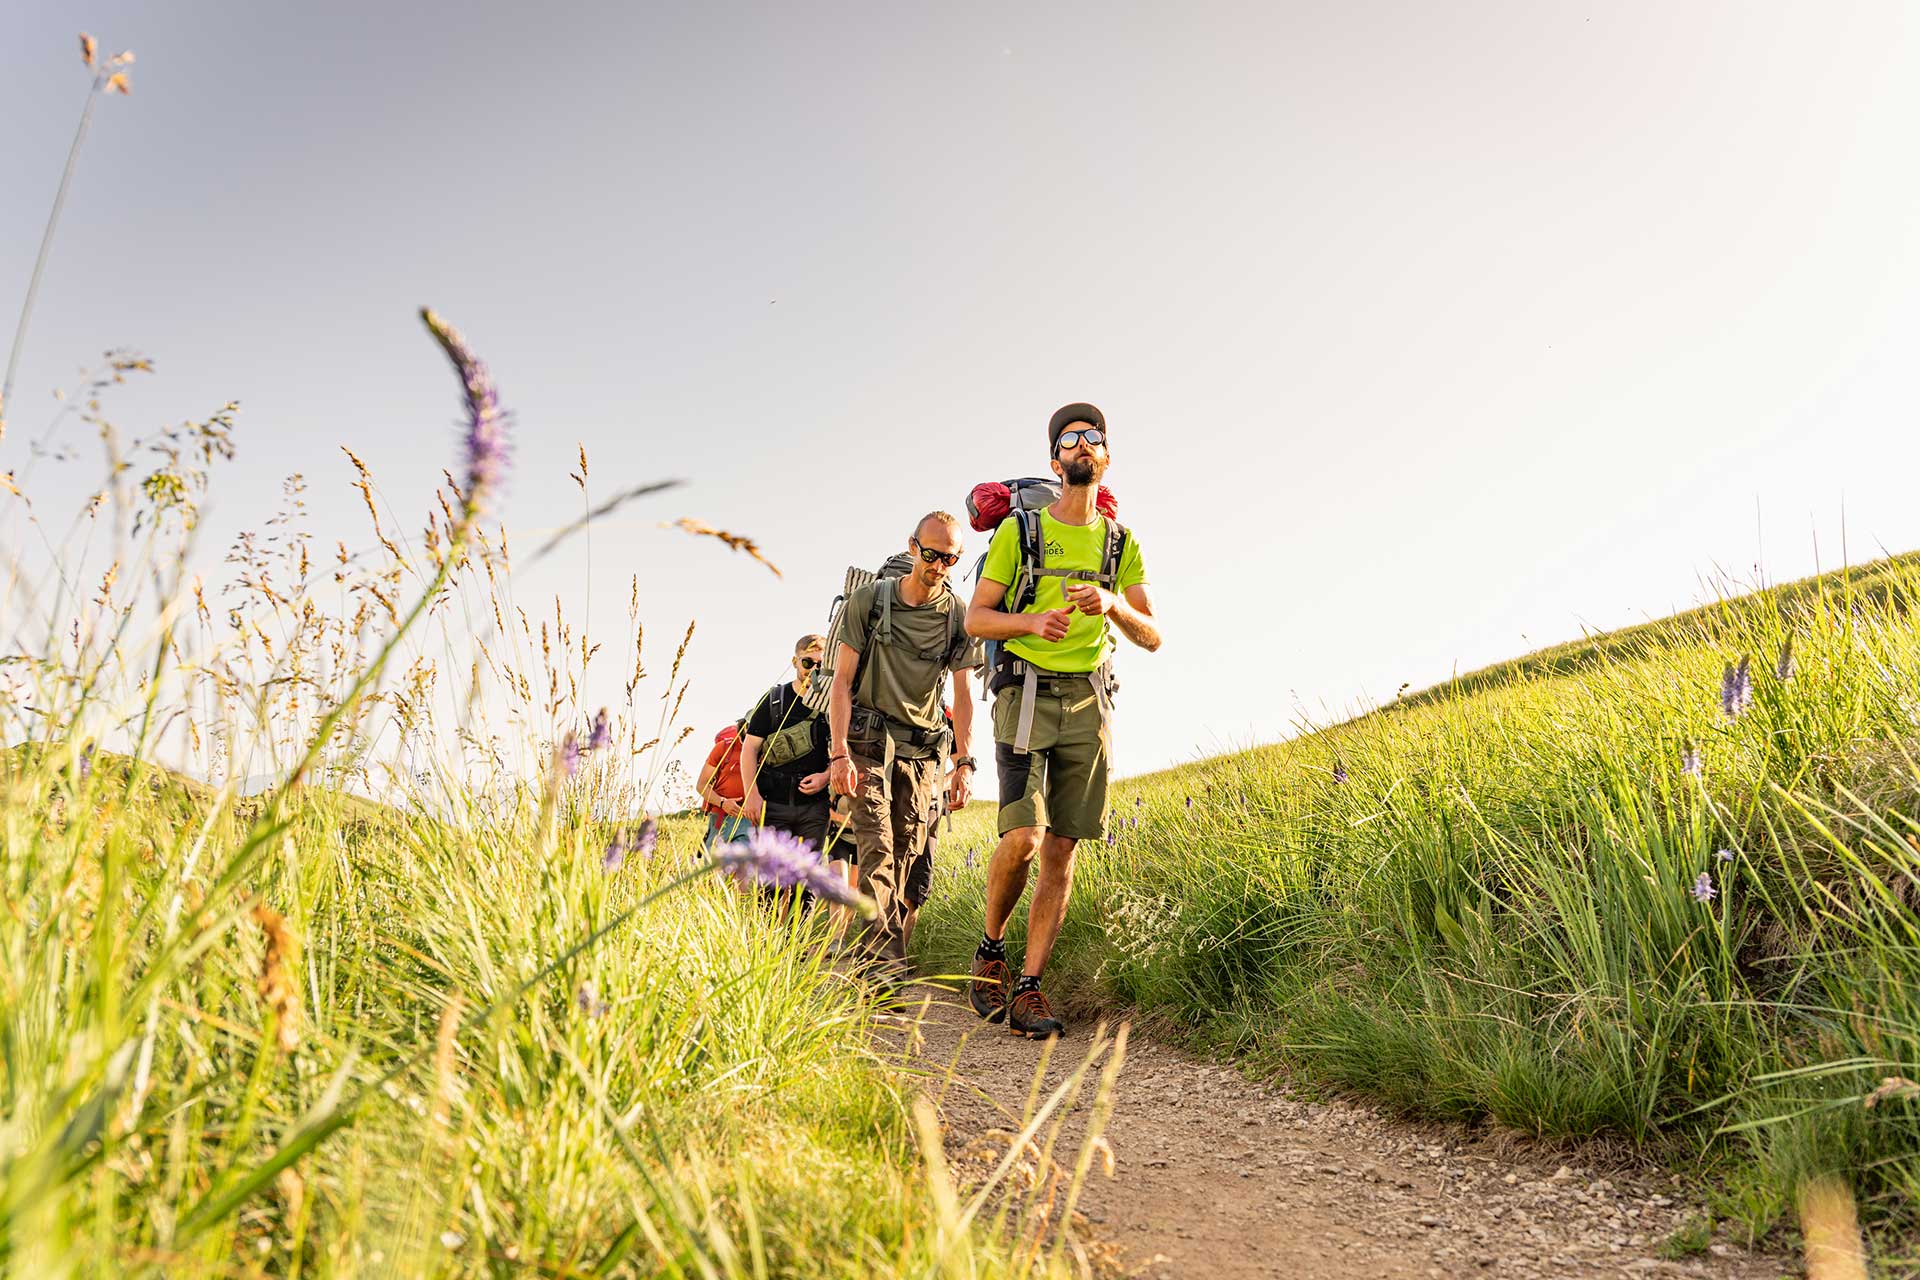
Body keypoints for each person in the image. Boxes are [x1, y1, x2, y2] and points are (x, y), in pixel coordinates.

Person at [963, 403, 1160, 1038]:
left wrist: (1110, 606)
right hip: (1024, 693)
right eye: (1070, 439)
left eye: (1093, 438)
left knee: (1062, 848)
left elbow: (1153, 634)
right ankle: (990, 951)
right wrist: (1029, 623)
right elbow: (977, 620)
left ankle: (1030, 988)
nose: (1082, 445)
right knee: (1021, 838)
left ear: (1106, 457)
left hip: (1090, 702)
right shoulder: (1019, 535)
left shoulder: (1122, 543)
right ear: (1056, 462)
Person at [827, 512, 982, 977]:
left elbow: (962, 693)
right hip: (868, 745)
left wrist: (964, 763)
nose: (938, 565)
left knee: (905, 853)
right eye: (931, 554)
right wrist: (838, 753)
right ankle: (883, 970)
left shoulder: (957, 616)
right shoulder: (868, 603)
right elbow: (841, 682)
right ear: (913, 547)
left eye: (949, 558)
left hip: (921, 754)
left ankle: (874, 956)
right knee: (876, 849)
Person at [739, 635, 835, 873]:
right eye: (807, 662)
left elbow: (847, 750)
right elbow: (749, 748)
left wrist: (826, 776)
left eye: (820, 665)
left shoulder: (834, 703)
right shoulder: (774, 700)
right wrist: (751, 794)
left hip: (815, 806)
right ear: (795, 661)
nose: (813, 669)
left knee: (809, 881)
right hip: (773, 803)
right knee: (771, 882)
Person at [697, 719, 753, 852]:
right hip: (720, 816)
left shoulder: (766, 749)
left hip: (749, 819)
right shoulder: (724, 748)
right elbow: (701, 785)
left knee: (741, 868)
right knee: (713, 864)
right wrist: (723, 803)